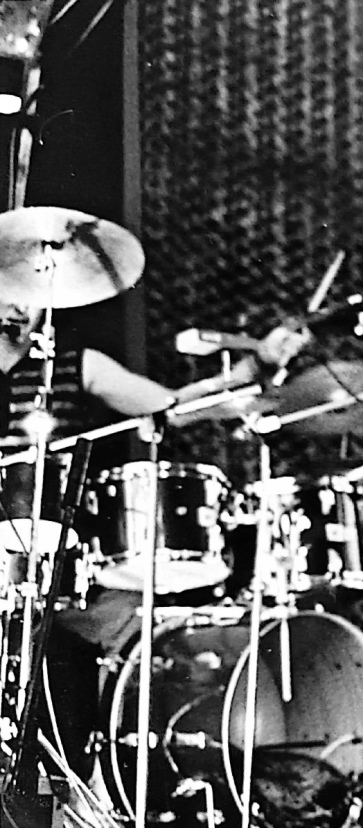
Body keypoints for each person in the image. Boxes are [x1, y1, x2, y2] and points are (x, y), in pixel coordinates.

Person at [0, 298, 309, 782]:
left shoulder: (74, 364)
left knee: (129, 636)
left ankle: (95, 781)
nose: (20, 306)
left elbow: (174, 408)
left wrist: (255, 366)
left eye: (33, 294)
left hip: (62, 570)